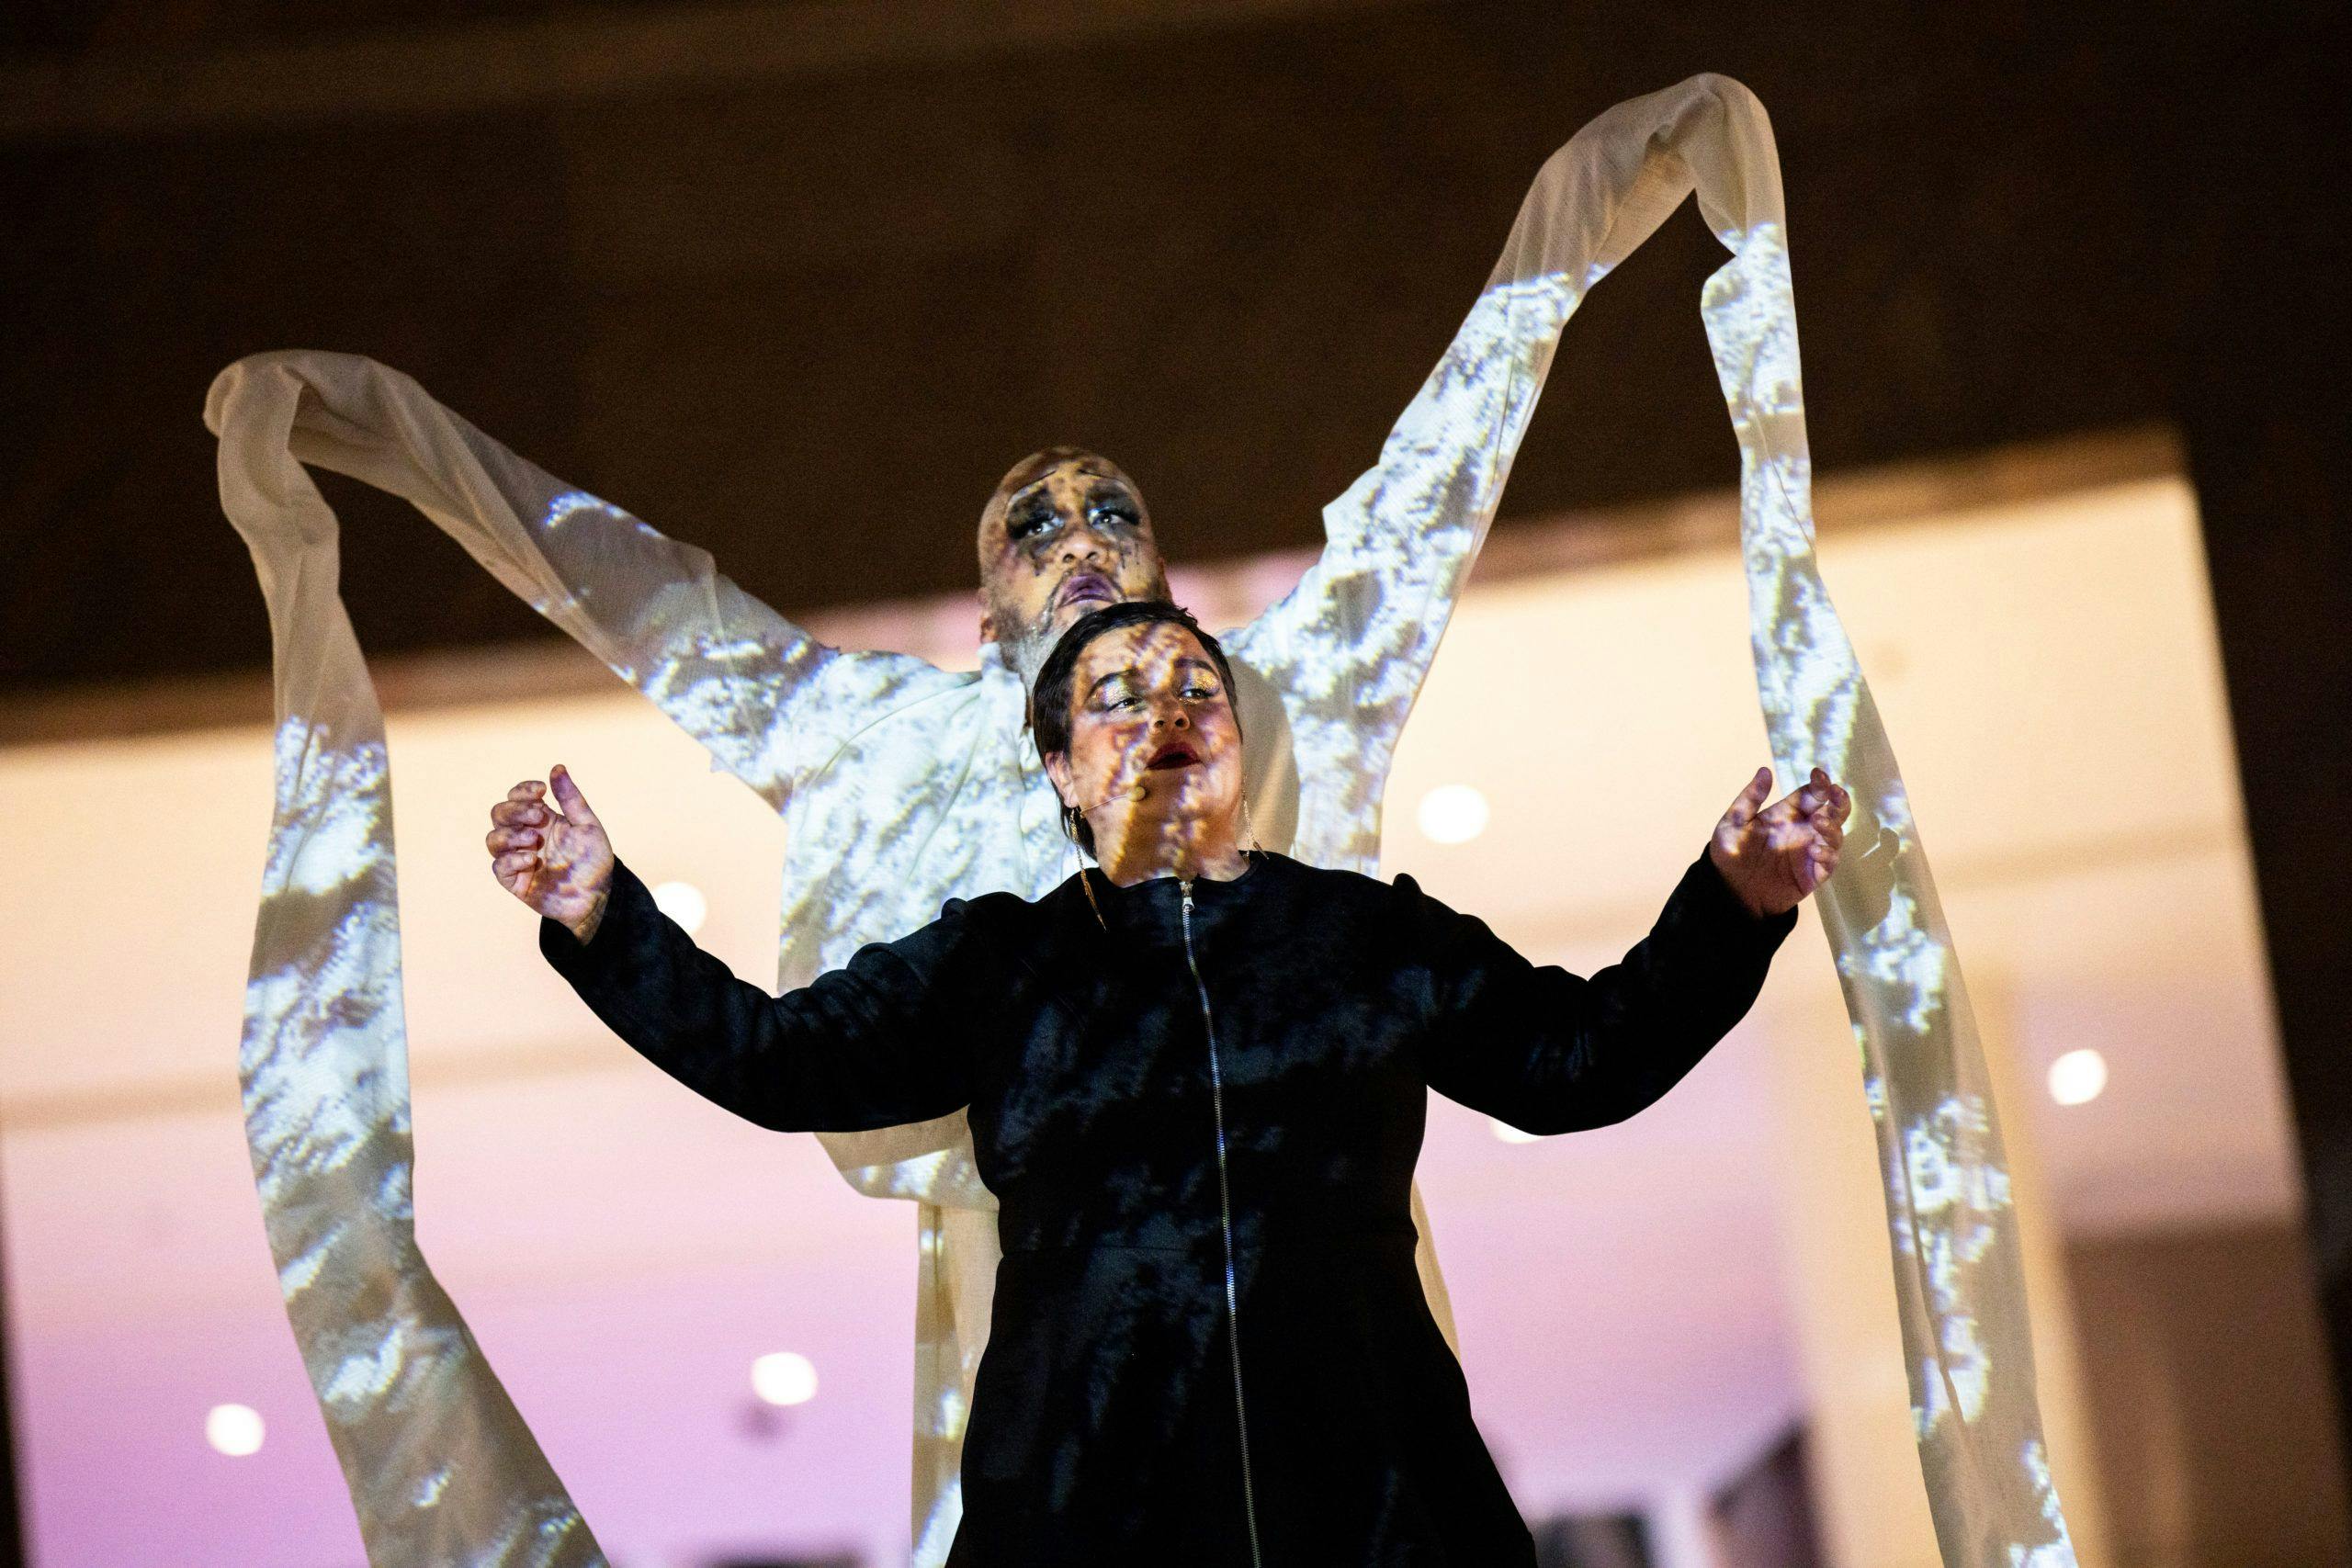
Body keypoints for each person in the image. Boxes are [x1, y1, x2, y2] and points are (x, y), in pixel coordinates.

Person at [485, 600, 1850, 1566]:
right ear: (1063, 771)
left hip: (1378, 1509)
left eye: (1198, 688)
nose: (1168, 714)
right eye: (1118, 700)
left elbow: (1578, 1063)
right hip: (1089, 1520)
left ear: (1241, 742)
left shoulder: (1363, 937)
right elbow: (776, 1062)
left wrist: (1731, 903)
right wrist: (607, 915)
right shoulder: (999, 964)